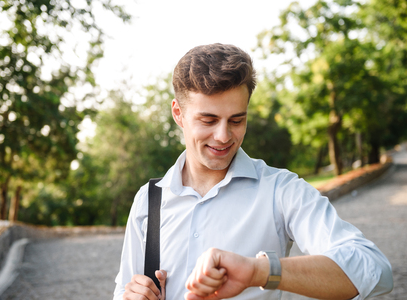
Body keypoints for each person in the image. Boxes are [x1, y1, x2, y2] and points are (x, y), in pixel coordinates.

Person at [113, 43, 393, 300]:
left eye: (237, 119)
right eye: (208, 120)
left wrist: (259, 271)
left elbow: (374, 269)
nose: (223, 136)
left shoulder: (281, 190)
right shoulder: (148, 200)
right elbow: (124, 289)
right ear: (178, 114)